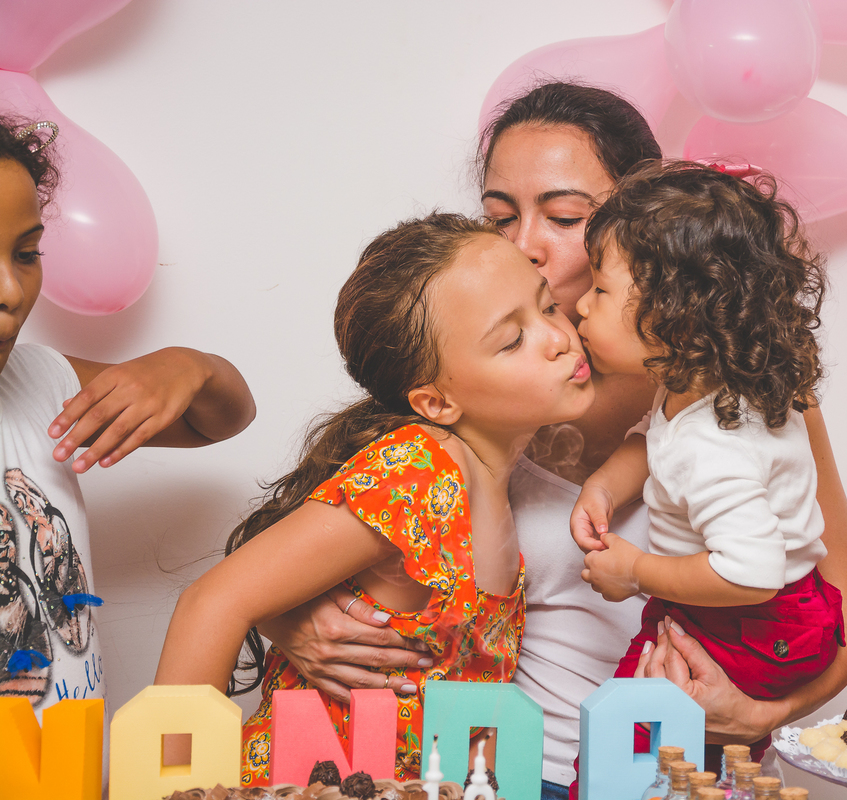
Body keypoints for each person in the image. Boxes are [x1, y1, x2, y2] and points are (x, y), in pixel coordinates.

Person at [259, 83, 847, 799]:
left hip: (696, 772)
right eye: (500, 217)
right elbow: (301, 563)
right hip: (524, 772)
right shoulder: (484, 399)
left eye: (564, 218)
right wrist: (288, 618)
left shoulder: (749, 392)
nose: (524, 245)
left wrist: (760, 715)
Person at [153, 213, 596, 784]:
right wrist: (171, 787)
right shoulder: (420, 470)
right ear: (436, 403)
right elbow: (211, 603)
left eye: (549, 306)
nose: (559, 339)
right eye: (512, 340)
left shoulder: (491, 474)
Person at [570, 161, 843, 769]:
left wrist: (635, 571)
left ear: (677, 317)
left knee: (625, 756)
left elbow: (752, 571)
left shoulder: (714, 445)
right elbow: (653, 442)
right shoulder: (703, 386)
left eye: (601, 290)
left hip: (753, 620)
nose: (582, 305)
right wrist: (604, 488)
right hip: (748, 612)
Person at [0, 116, 255, 710]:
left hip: (76, 761)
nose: (10, 290)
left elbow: (222, 419)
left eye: (26, 253)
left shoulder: (38, 381)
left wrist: (190, 366)